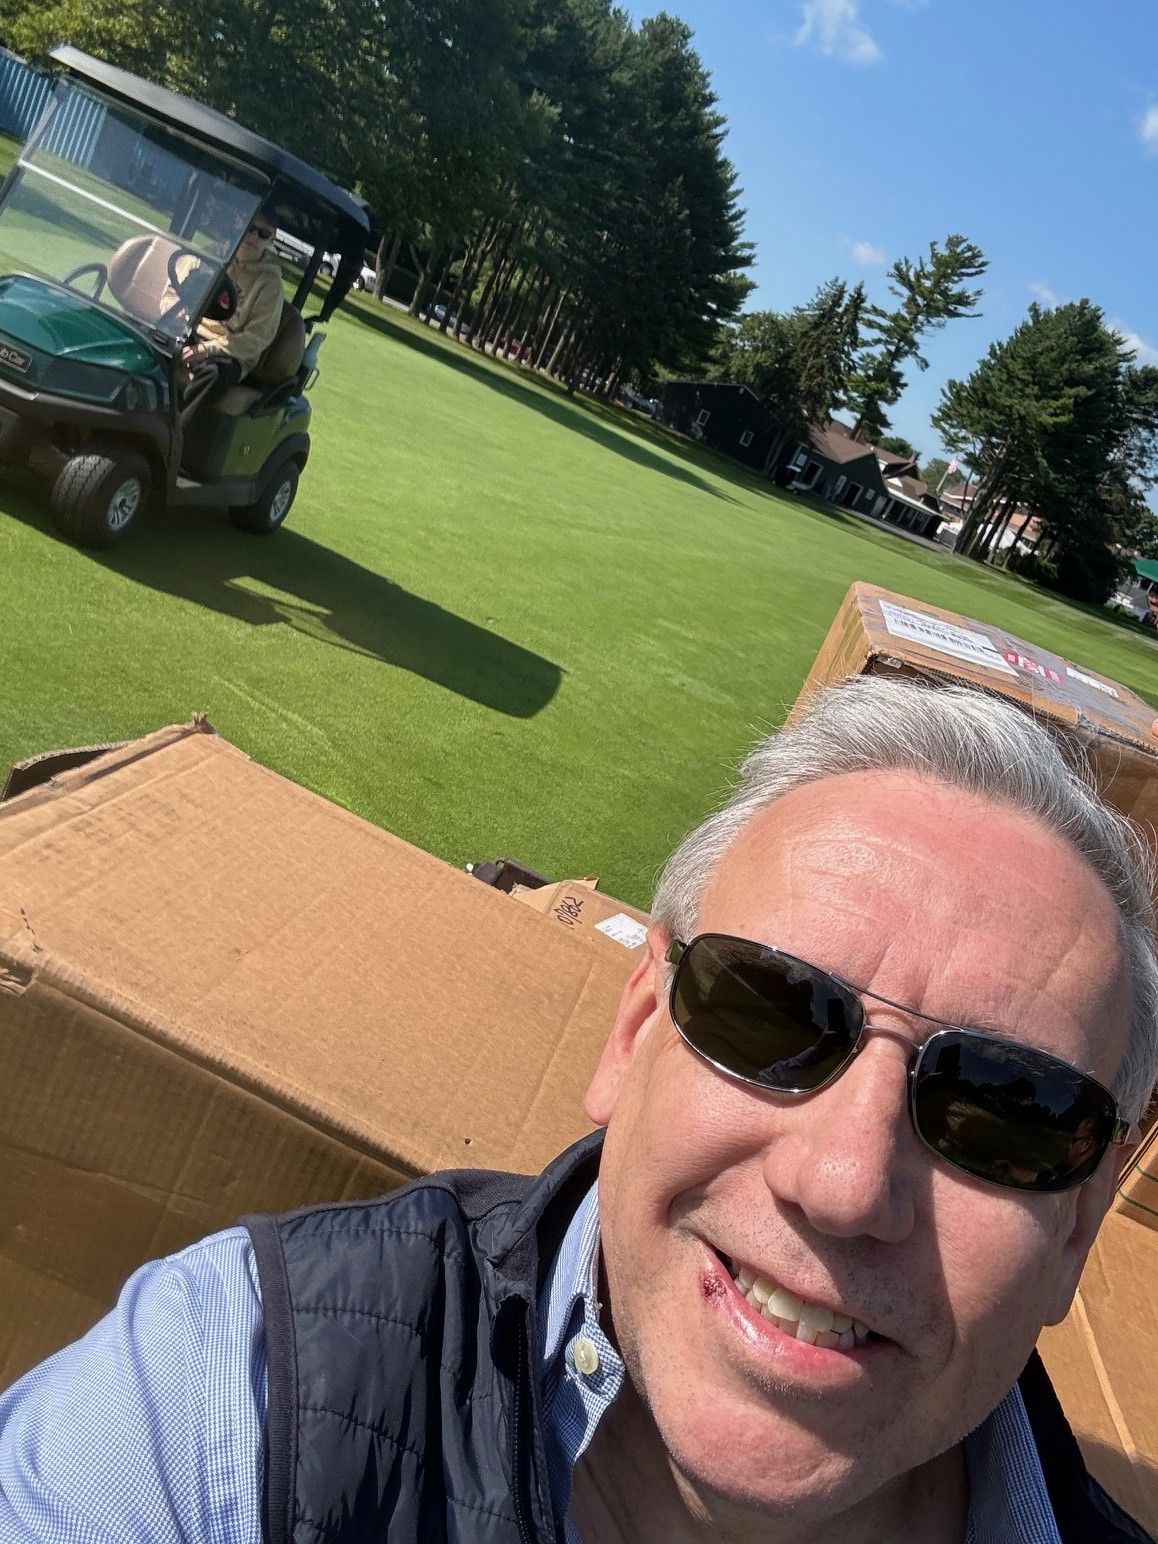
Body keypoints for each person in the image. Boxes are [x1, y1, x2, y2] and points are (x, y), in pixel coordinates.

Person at [0, 677, 1155, 1543]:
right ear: (635, 1027)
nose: (845, 1182)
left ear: (1078, 1228)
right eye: (771, 1011)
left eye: (1005, 1105)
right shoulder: (232, 1393)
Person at [177, 208, 284, 417]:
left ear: (271, 239)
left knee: (212, 374)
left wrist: (208, 349)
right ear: (239, 224)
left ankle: (172, 435)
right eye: (251, 228)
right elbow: (175, 290)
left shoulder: (270, 284)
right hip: (187, 330)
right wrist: (175, 313)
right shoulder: (212, 255)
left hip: (229, 352)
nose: (253, 236)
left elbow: (256, 338)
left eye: (262, 233)